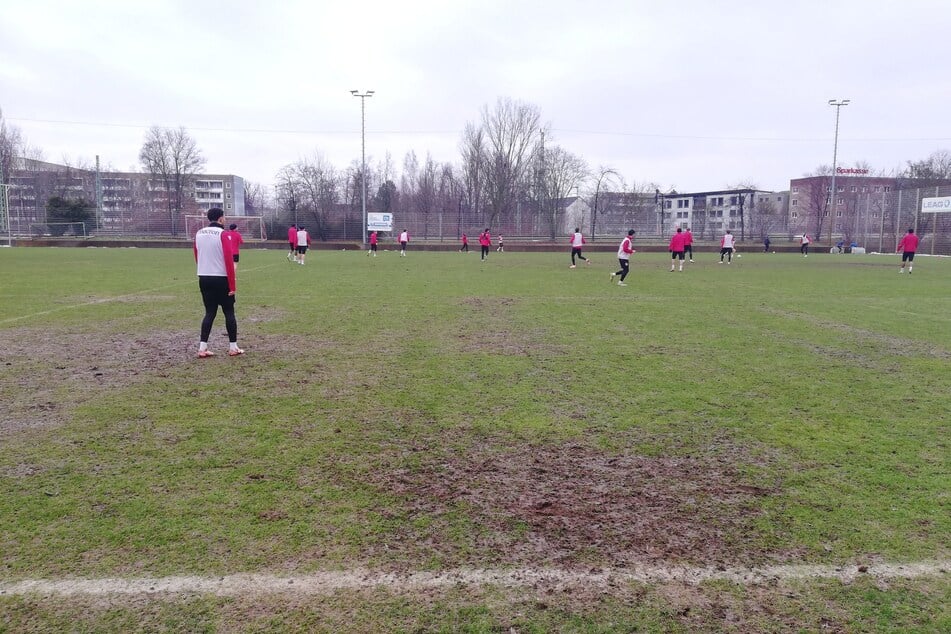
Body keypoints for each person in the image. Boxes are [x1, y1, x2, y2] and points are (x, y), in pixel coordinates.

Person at [194, 207, 242, 358]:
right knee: (229, 312)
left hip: (204, 277)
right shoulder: (223, 234)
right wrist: (232, 285)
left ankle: (202, 348)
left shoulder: (198, 233)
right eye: (224, 217)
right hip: (221, 278)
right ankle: (233, 347)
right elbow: (228, 259)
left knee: (209, 312)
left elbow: (197, 255)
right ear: (220, 218)